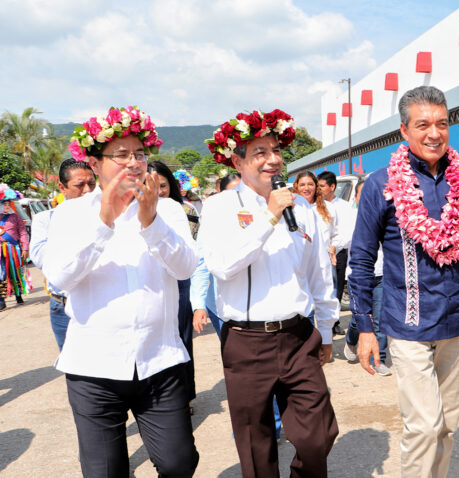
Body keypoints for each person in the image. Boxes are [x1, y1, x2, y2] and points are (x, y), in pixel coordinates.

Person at [348, 86, 459, 477]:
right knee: (423, 427)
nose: (434, 133)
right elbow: (361, 258)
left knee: (445, 427)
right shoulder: (381, 185)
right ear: (404, 131)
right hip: (407, 325)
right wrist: (364, 326)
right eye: (423, 124)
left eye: (442, 123)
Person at [45, 106, 199, 477]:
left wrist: (151, 223)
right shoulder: (70, 214)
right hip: (93, 368)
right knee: (104, 471)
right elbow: (60, 278)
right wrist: (104, 222)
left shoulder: (168, 211)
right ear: (96, 164)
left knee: (179, 462)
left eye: (140, 154)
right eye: (122, 155)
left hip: (159, 361)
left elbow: (186, 268)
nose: (134, 163)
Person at [199, 108, 338, 478]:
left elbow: (319, 275)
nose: (273, 160)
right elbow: (223, 265)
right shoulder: (218, 208)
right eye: (259, 152)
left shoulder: (304, 209)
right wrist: (269, 217)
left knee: (318, 436)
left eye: (276, 150)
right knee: (255, 444)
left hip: (298, 336)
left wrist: (325, 330)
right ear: (237, 160)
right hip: (245, 341)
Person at [30, 159, 96, 350]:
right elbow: (42, 258)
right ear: (62, 187)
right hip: (63, 307)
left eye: (92, 184)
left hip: (100, 302)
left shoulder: (107, 217)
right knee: (76, 371)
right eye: (79, 185)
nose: (87, 191)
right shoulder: (46, 220)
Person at [148, 161, 198, 412]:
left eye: (163, 186)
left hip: (179, 281)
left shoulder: (183, 211)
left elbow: (190, 254)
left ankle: (185, 395)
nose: (158, 192)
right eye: (151, 186)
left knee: (181, 337)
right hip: (151, 284)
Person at [344, 180, 391, 376]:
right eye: (363, 194)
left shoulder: (386, 214)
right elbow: (346, 241)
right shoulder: (350, 217)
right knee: (358, 319)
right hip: (358, 277)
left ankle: (378, 359)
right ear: (356, 198)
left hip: (381, 273)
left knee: (379, 319)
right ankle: (350, 340)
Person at [191, 172, 241, 338]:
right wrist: (199, 304)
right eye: (232, 192)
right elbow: (201, 262)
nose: (237, 196)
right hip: (221, 307)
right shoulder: (213, 219)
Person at [317, 170, 355, 334]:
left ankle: (334, 322)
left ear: (332, 187)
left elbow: (346, 232)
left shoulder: (344, 207)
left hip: (338, 253)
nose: (319, 189)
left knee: (336, 289)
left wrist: (334, 248)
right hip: (320, 254)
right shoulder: (316, 206)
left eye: (322, 186)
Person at [293, 171, 338, 268]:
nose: (306, 188)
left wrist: (333, 247)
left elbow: (336, 234)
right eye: (302, 185)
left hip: (324, 263)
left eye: (310, 184)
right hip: (298, 263)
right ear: (296, 187)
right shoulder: (291, 208)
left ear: (316, 187)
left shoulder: (329, 208)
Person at [0, 185, 30, 310]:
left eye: (9, 204)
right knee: (1, 274)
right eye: (4, 204)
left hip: (13, 249)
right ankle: (1, 300)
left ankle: (18, 295)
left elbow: (23, 233)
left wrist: (25, 248)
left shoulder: (16, 217)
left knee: (15, 273)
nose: (7, 206)